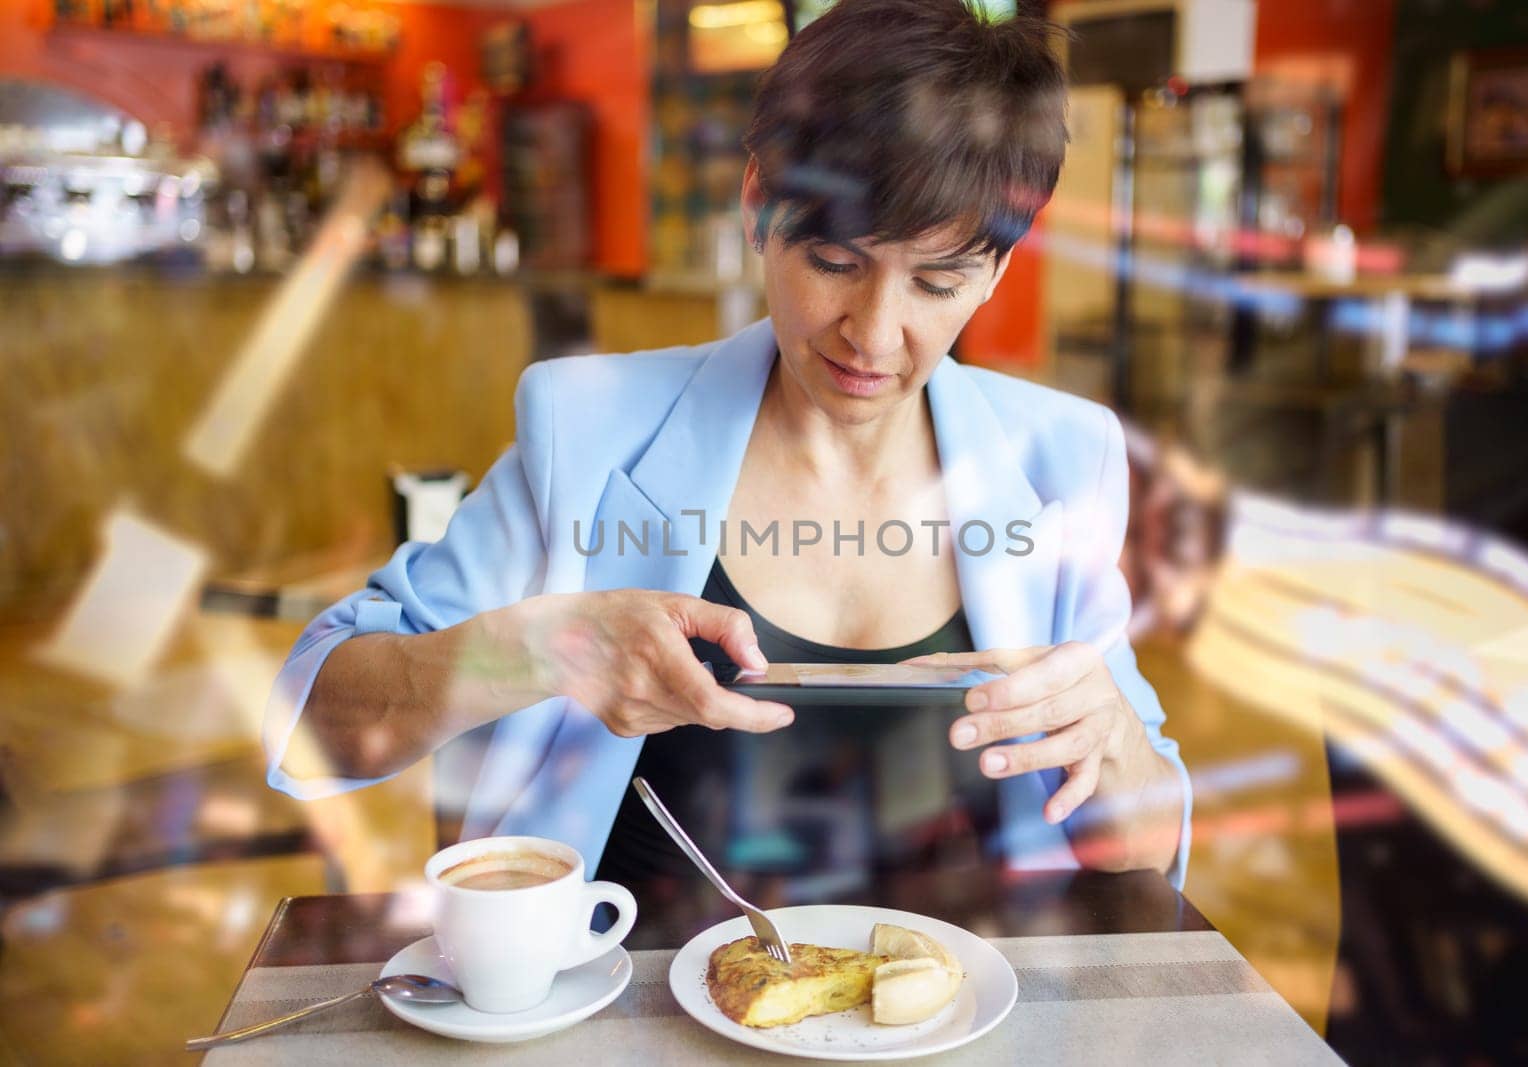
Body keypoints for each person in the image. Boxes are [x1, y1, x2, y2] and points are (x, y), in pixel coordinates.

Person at [264, 0, 1191, 894]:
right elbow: (313, 716)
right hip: (638, 1013)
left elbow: (1144, 848)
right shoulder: (592, 432)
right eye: (834, 262)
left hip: (966, 1014)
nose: (873, 332)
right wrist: (543, 652)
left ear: (994, 271)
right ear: (759, 204)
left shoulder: (1059, 462)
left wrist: (1108, 737)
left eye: (938, 282)